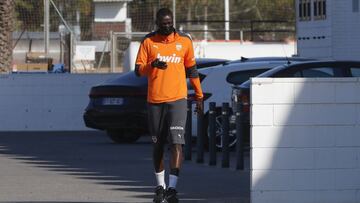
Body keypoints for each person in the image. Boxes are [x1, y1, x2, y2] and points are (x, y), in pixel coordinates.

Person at [134, 8, 203, 203]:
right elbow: (138, 70)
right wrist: (152, 65)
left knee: (177, 143)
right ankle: (160, 186)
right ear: (157, 23)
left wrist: (199, 96)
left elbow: (192, 70)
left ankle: (172, 188)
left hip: (177, 100)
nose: (167, 26)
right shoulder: (148, 41)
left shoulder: (184, 41)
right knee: (157, 145)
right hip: (155, 101)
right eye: (163, 23)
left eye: (169, 22)